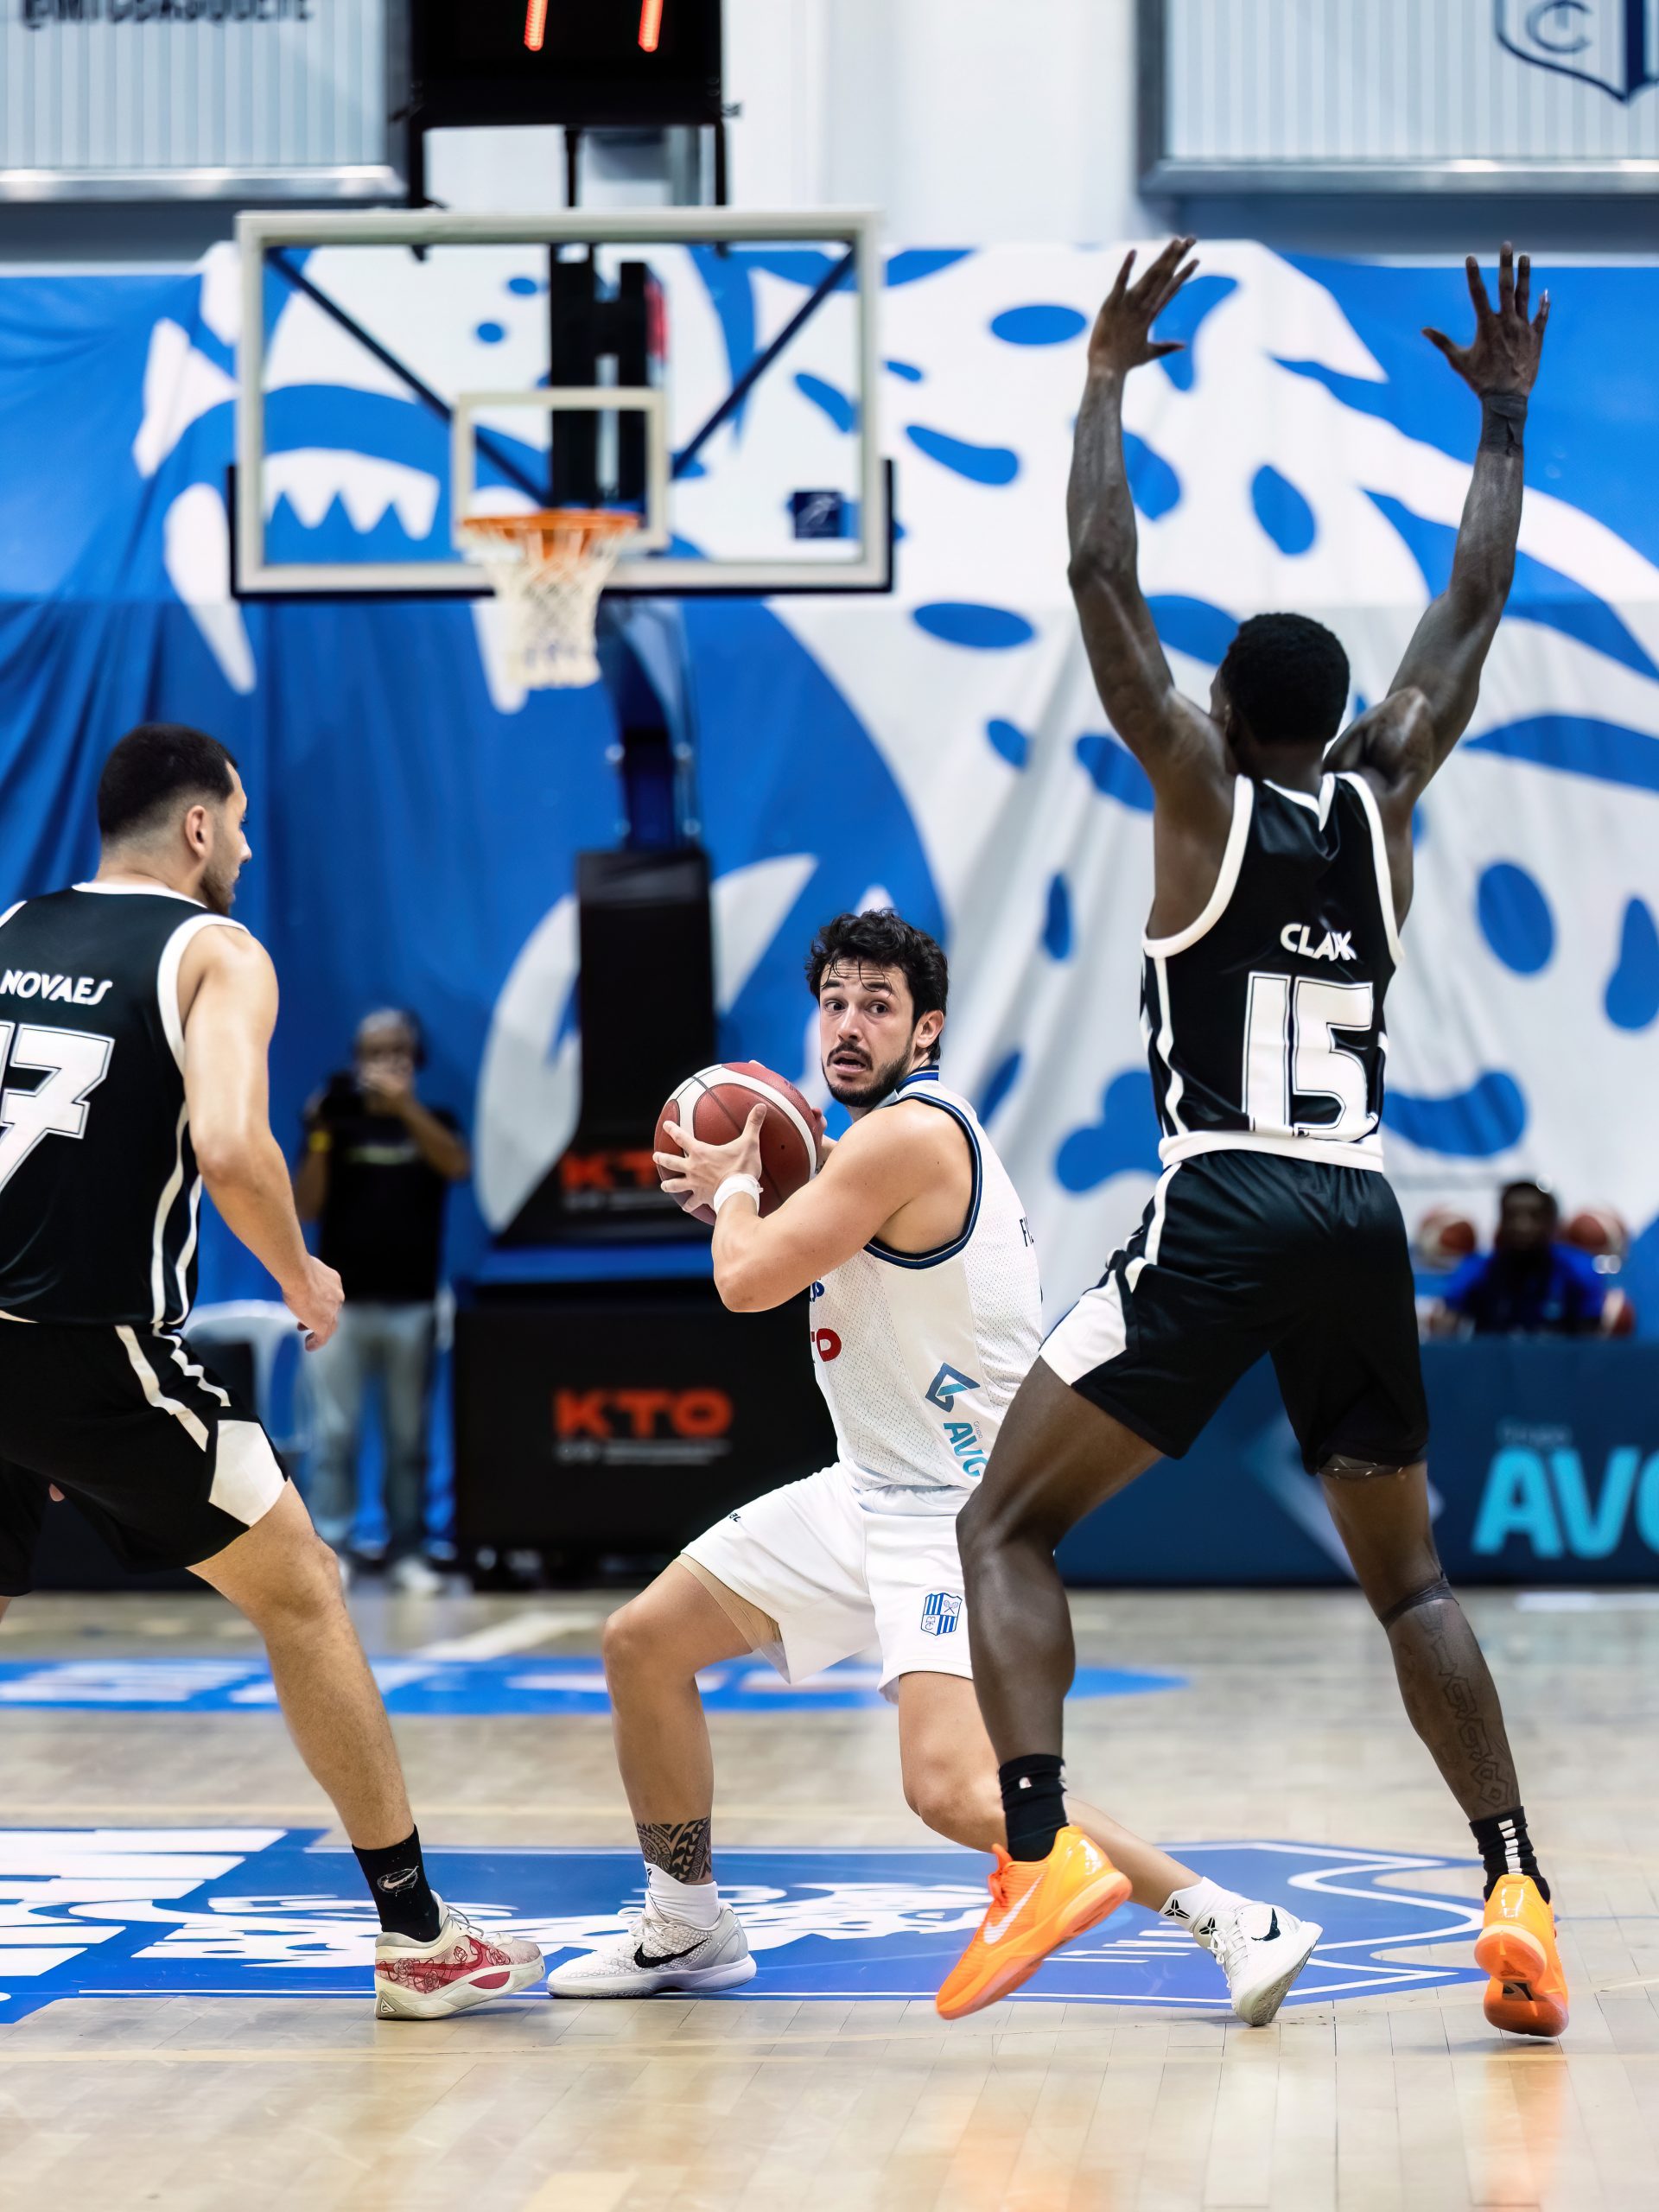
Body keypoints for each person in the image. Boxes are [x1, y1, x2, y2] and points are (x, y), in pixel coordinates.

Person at [943, 242, 1567, 2039]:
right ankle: (1515, 1880)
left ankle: (1041, 1849)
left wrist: (1102, 381)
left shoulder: (1197, 788)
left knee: (1004, 1528)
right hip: (1361, 1206)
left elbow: (1098, 576)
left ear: (1224, 712)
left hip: (1224, 1198)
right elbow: (1472, 605)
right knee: (1412, 1578)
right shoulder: (1391, 789)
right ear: (1343, 719)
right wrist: (1504, 422)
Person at [545, 909, 1320, 2023]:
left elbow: (746, 1280)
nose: (849, 1025)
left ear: (927, 1031)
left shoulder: (909, 1135)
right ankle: (688, 1921)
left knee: (952, 1790)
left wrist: (737, 1187)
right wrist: (758, 1184)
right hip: (867, 1488)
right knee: (642, 1643)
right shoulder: (862, 1148)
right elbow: (784, 1235)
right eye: (834, 1003)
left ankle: (1233, 1918)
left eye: (878, 1006)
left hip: (955, 1513)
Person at [0, 723, 541, 2018]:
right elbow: (234, 1146)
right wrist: (302, 1277)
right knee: (304, 1590)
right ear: (198, 827)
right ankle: (418, 1936)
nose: (245, 848)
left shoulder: (13, 927)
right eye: (237, 822)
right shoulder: (216, 950)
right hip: (90, 1345)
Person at [294, 1010, 469, 1592]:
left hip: (412, 1304)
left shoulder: (434, 1122)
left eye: (398, 1052)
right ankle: (334, 1546)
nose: (386, 1063)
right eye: (374, 1052)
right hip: (338, 1311)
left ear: (415, 1061)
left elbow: (456, 1165)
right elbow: (306, 1207)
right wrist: (320, 1132)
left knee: (408, 1439)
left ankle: (408, 1551)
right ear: (357, 1060)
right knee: (333, 1436)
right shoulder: (336, 1126)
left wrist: (405, 1109)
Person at [1433, 1181, 1611, 1337]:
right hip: (1493, 1365)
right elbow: (1444, 1336)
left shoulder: (1579, 1270)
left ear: (1553, 1224)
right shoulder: (1475, 1270)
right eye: (1512, 1216)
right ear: (1501, 1222)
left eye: (1535, 1216)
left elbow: (1591, 1349)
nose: (1522, 1226)